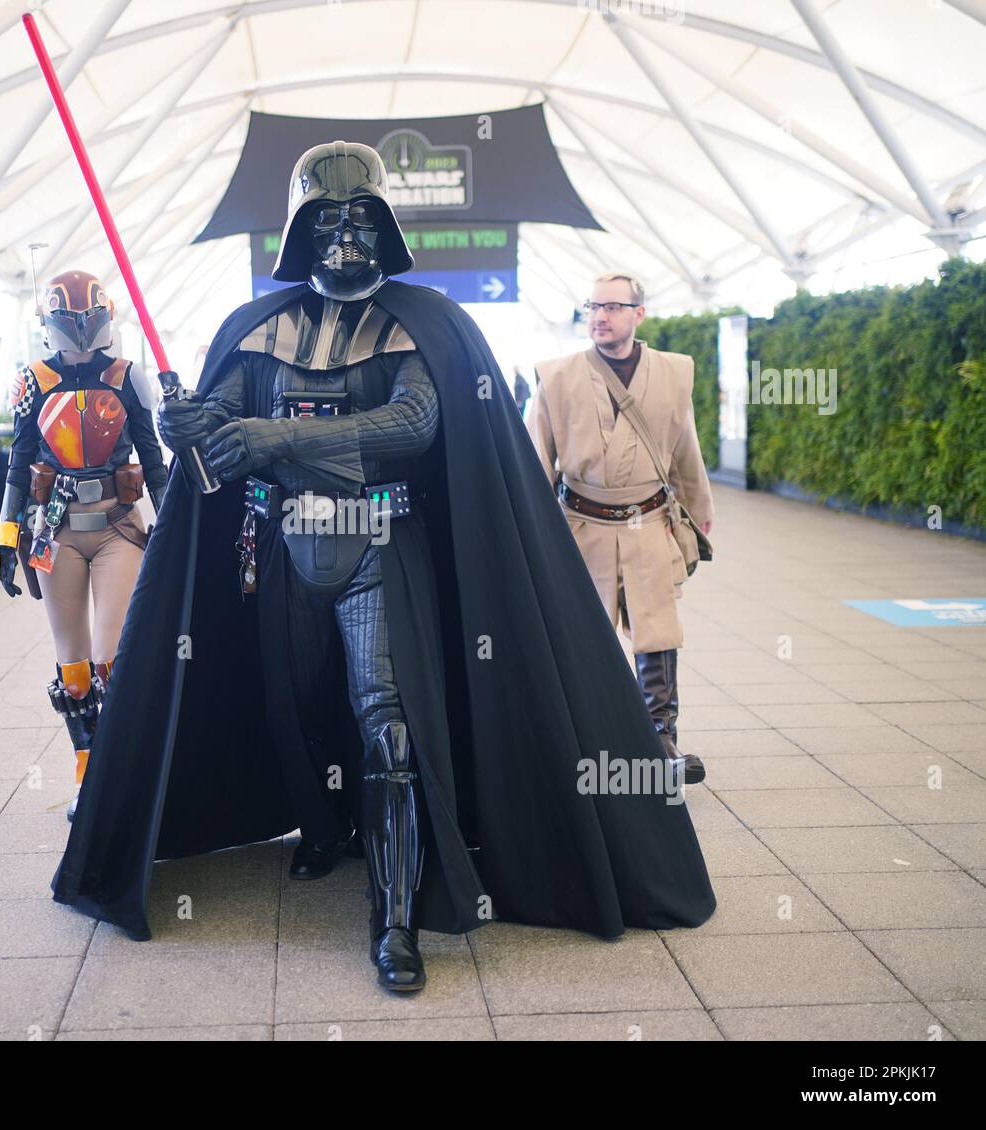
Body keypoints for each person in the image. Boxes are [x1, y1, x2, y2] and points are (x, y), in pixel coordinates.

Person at [51, 142, 715, 995]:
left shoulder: (421, 323)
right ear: (298, 233)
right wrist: (188, 420)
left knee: (389, 727)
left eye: (359, 215)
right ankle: (324, 831)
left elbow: (413, 424)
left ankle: (394, 919)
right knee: (291, 704)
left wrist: (274, 437)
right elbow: (219, 431)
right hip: (282, 551)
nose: (343, 234)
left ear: (384, 224)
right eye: (325, 218)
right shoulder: (255, 330)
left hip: (378, 544)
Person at [0, 269, 168, 821]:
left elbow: (156, 463)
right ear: (49, 323)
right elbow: (18, 467)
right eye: (71, 319)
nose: (82, 327)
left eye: (89, 317)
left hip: (117, 526)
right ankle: (88, 773)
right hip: (56, 531)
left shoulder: (128, 379)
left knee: (114, 660)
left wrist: (172, 524)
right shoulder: (32, 382)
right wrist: (5, 536)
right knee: (74, 668)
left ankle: (121, 772)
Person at [528, 272, 714, 783]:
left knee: (657, 631)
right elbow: (537, 458)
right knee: (582, 634)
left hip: (648, 519)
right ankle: (584, 739)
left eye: (612, 307)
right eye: (593, 307)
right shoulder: (557, 376)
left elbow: (684, 447)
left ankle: (660, 738)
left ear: (639, 314)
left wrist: (698, 508)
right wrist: (533, 531)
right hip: (580, 524)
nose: (600, 317)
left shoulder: (674, 373)